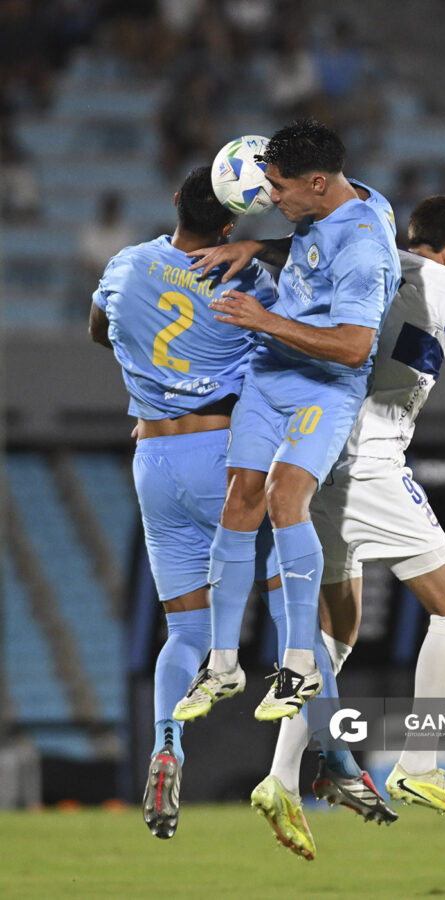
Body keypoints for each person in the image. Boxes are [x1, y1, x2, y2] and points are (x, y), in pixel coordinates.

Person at [188, 194, 445, 853]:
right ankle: (418, 765)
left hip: (312, 456)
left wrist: (253, 247)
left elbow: (300, 253)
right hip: (369, 466)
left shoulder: (369, 261)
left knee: (336, 635)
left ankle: (279, 780)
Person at [172, 119, 401, 731]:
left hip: (323, 388)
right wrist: (256, 249)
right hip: (270, 378)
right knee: (239, 501)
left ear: (318, 183)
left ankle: (299, 662)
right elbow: (307, 253)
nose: (271, 198)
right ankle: (224, 665)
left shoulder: (364, 248)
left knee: (284, 498)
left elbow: (355, 347)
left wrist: (262, 319)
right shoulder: (344, 203)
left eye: (278, 187)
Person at [88, 166, 278, 840]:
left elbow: (97, 327)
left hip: (153, 458)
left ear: (175, 202)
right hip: (220, 451)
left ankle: (167, 746)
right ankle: (320, 758)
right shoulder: (244, 276)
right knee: (294, 576)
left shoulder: (129, 261)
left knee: (184, 632)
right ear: (232, 225)